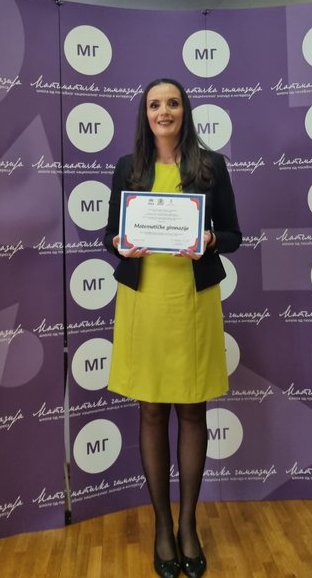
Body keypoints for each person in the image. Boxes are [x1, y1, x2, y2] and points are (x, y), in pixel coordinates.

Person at [103, 78, 242, 578]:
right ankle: (162, 526)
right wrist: (120, 244)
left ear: (185, 111)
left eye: (173, 103)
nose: (164, 112)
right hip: (143, 301)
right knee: (151, 411)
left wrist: (209, 239)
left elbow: (234, 235)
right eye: (155, 105)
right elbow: (109, 234)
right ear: (146, 114)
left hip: (192, 302)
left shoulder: (211, 165)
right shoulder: (129, 167)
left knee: (192, 408)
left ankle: (188, 526)